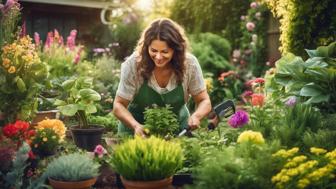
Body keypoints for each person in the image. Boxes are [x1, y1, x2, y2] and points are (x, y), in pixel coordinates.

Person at [113, 18, 211, 137]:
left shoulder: (189, 64)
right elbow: (118, 105)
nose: (158, 57)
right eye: (153, 50)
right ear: (146, 47)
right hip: (136, 132)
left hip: (176, 131)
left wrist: (196, 116)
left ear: (176, 49)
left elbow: (204, 100)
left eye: (165, 51)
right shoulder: (133, 65)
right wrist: (135, 126)